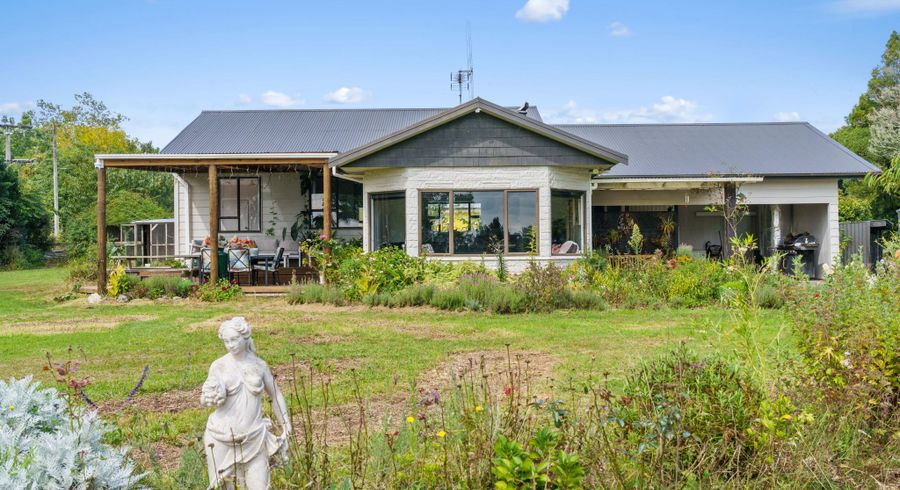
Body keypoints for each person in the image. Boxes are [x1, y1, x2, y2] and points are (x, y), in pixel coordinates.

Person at [201, 317, 291, 490]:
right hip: (220, 438)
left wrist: (286, 424)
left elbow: (276, 394)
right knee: (224, 487)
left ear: (245, 336)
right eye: (226, 341)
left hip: (254, 436)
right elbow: (204, 399)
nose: (230, 345)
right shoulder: (218, 366)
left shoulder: (259, 365)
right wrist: (210, 398)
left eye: (234, 340)